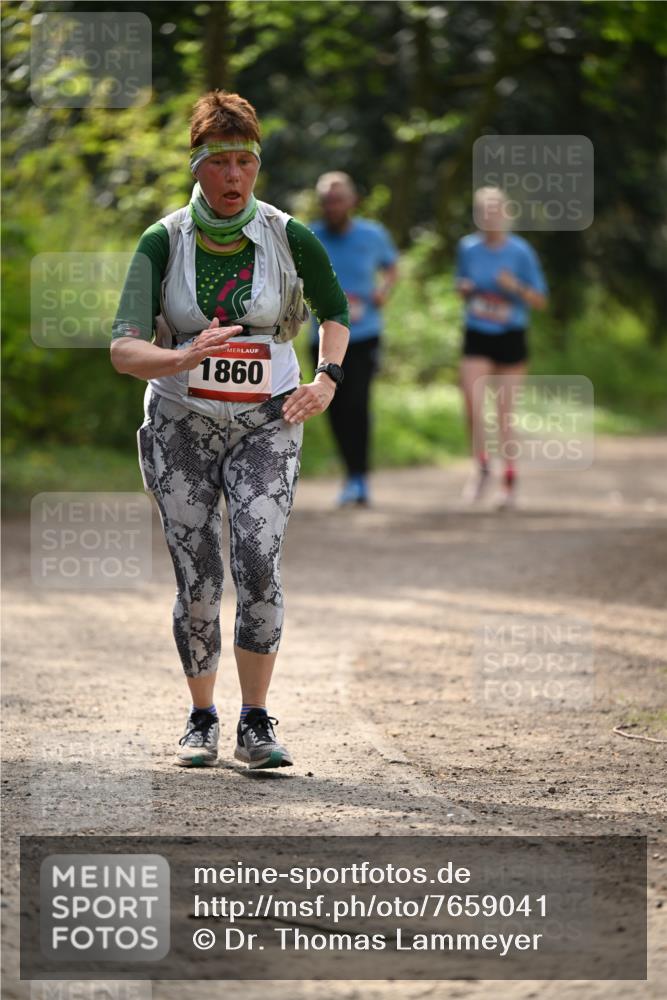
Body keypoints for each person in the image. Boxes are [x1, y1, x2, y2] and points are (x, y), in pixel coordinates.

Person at [110, 91, 349, 770]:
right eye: (222, 163)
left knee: (256, 560)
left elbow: (336, 313)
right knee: (198, 577)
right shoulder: (162, 240)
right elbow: (123, 349)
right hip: (181, 422)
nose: (235, 176)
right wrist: (179, 357)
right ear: (198, 165)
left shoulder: (287, 234)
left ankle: (255, 721)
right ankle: (200, 717)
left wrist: (326, 378)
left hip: (266, 422)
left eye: (246, 161)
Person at [309, 172, 398, 506]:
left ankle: (359, 478)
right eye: (327, 200)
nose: (332, 206)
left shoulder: (373, 235)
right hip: (321, 337)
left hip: (363, 336)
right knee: (331, 405)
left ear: (352, 201)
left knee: (357, 404)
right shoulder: (310, 234)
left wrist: (383, 291)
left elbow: (392, 267)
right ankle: (350, 473)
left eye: (338, 199)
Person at [456, 186, 548, 507]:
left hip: (510, 335)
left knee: (504, 414)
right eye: (484, 210)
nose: (490, 216)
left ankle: (509, 481)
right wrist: (464, 289)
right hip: (477, 332)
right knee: (472, 403)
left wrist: (515, 287)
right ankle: (481, 466)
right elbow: (461, 284)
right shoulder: (467, 248)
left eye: (496, 210)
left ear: (506, 213)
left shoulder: (521, 252)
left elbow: (540, 300)